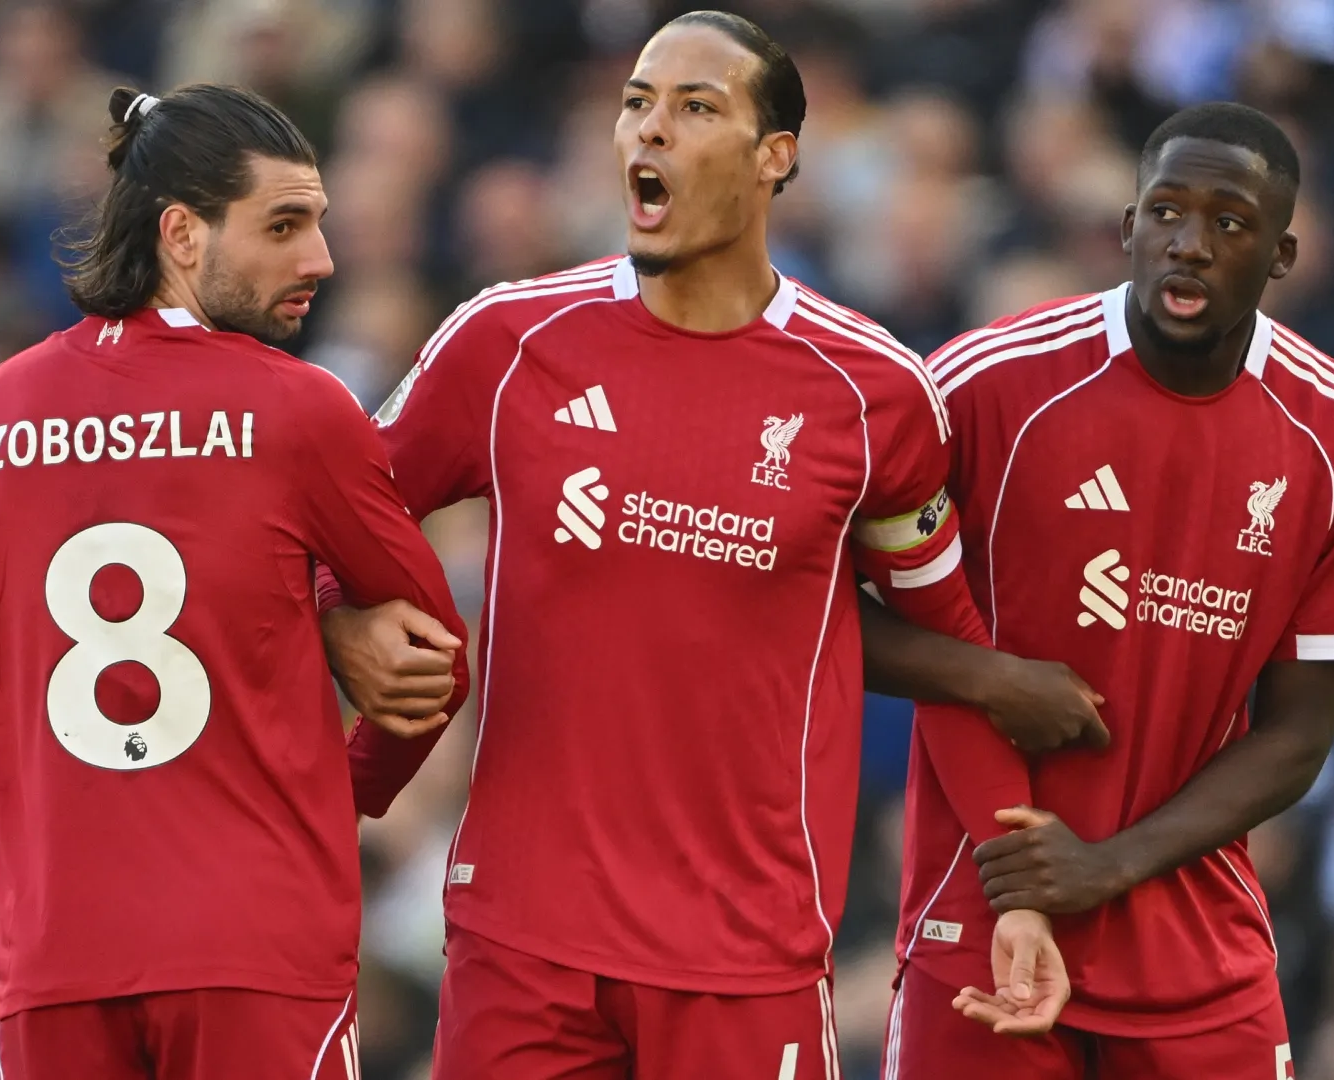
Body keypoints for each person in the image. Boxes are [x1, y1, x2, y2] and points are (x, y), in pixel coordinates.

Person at [330, 11, 1101, 1079]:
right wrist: (340, 630)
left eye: (695, 108)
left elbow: (953, 647)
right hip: (522, 944)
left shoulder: (871, 393)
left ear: (775, 155)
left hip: (746, 956)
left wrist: (1017, 898)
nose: (650, 130)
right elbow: (324, 528)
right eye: (636, 104)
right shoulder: (505, 342)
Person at [0, 84, 468, 1080]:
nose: (320, 258)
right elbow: (436, 659)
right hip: (255, 944)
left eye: (319, 223)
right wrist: (334, 801)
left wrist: (68, 840)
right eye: (284, 226)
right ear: (180, 232)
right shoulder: (299, 411)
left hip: (58, 955)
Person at [871, 101, 1334, 1078]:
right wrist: (993, 680)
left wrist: (1107, 865)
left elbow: (1299, 735)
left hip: (1193, 941)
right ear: (1127, 228)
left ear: (1282, 255)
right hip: (985, 917)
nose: (1189, 244)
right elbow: (837, 612)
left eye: (1229, 222)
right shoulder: (985, 384)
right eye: (1166, 213)